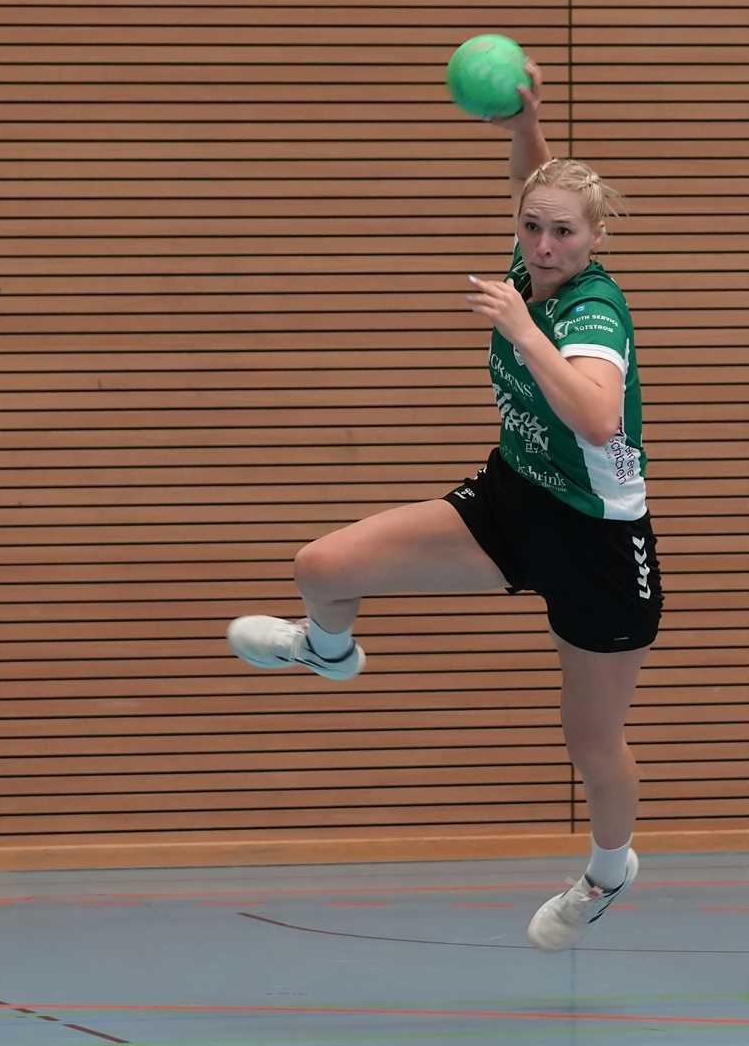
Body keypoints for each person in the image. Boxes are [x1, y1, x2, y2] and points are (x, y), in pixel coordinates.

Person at [224, 60, 661, 952]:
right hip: (514, 498)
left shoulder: (594, 311)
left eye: (564, 233)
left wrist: (525, 332)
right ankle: (328, 653)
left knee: (591, 743)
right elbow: (533, 180)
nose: (544, 246)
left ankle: (609, 872)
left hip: (599, 544)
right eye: (532, 229)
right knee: (322, 566)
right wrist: (524, 127)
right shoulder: (530, 260)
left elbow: (597, 416)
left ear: (597, 236)